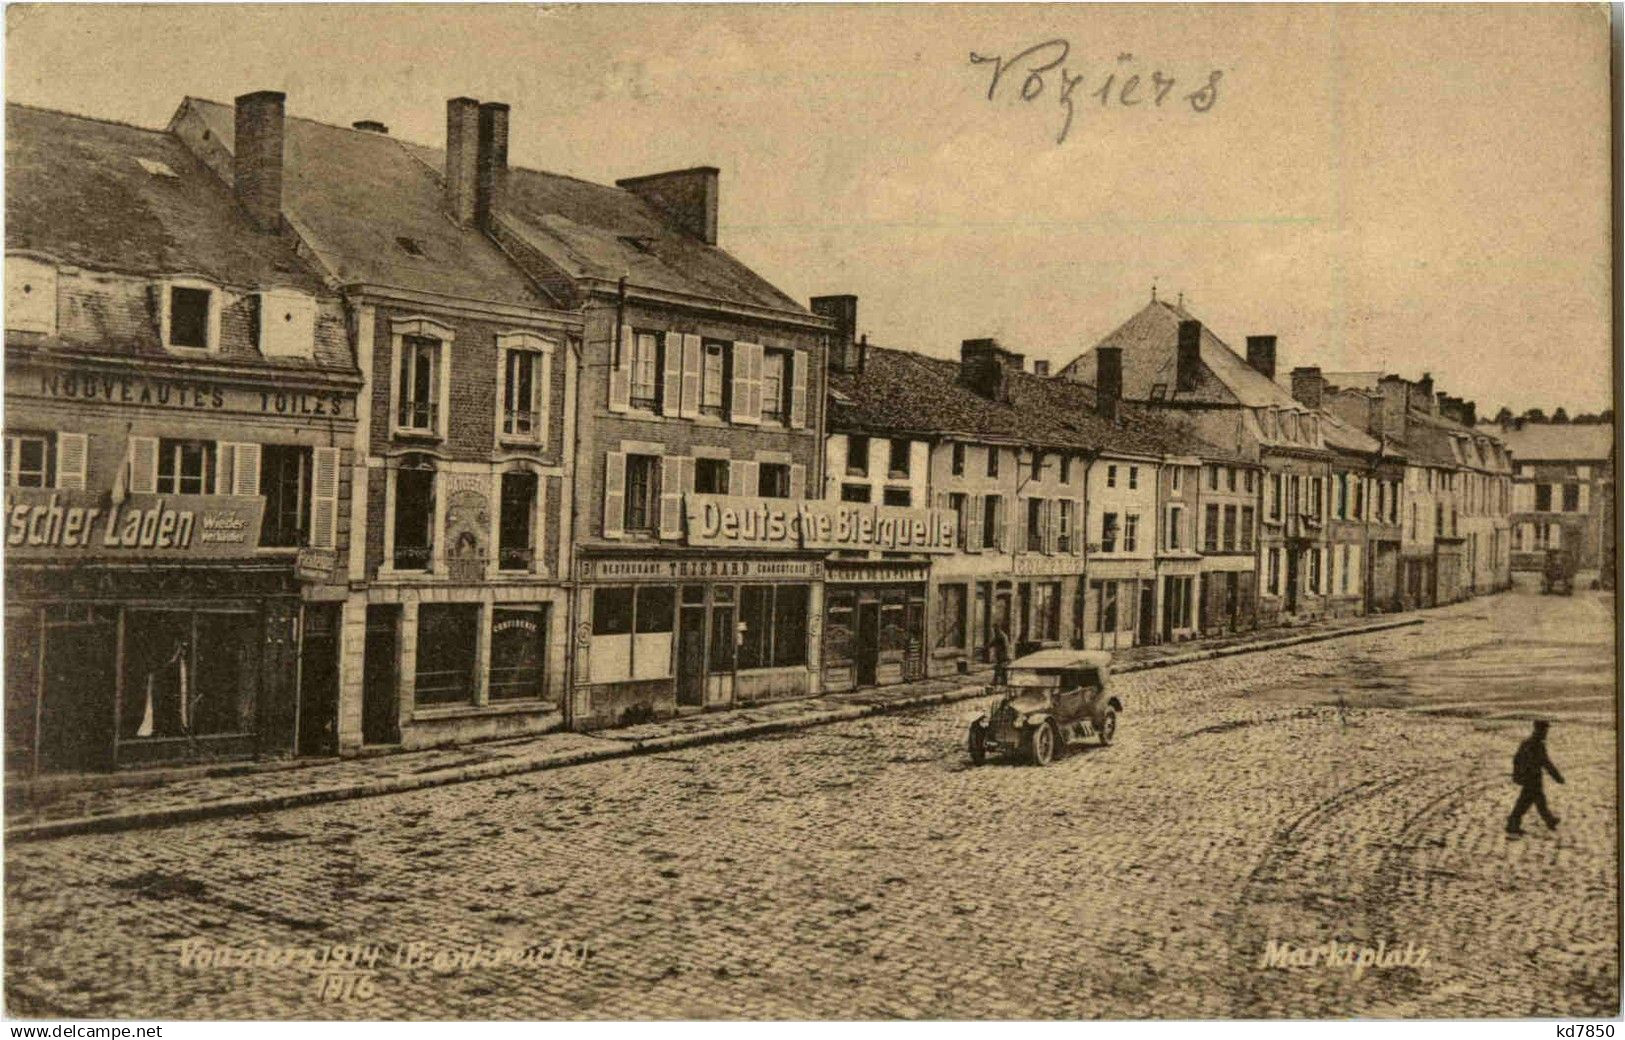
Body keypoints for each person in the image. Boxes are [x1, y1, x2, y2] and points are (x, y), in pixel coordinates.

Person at [1507, 720, 1564, 837]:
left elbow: (1517, 759)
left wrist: (1517, 774)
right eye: (1545, 731)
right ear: (1539, 730)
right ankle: (1512, 824)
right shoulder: (1536, 745)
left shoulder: (1528, 743)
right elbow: (1546, 763)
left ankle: (1549, 819)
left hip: (1531, 777)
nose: (1546, 734)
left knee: (1539, 800)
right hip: (1532, 778)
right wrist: (1557, 777)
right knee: (1524, 802)